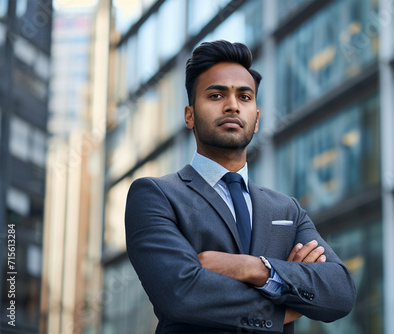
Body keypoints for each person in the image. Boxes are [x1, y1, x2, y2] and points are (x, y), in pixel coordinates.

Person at [125, 40, 356, 334]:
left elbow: (340, 292)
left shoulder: (287, 210)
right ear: (190, 115)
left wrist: (255, 268)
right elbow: (181, 293)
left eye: (245, 97)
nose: (232, 105)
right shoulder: (156, 195)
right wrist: (287, 305)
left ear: (256, 120)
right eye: (216, 94)